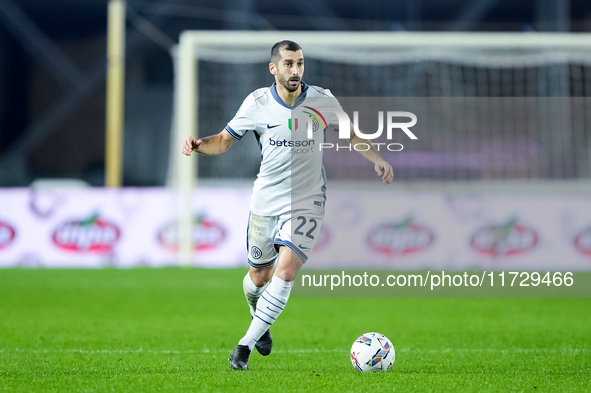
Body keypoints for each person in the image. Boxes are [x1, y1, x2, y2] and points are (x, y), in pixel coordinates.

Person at [181, 40, 393, 370]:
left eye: (300, 64)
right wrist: (198, 145)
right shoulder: (257, 103)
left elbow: (351, 134)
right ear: (274, 68)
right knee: (258, 276)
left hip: (307, 200)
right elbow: (222, 142)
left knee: (286, 269)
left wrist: (376, 158)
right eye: (289, 64)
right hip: (266, 201)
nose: (296, 70)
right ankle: (259, 320)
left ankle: (243, 347)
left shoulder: (322, 99)